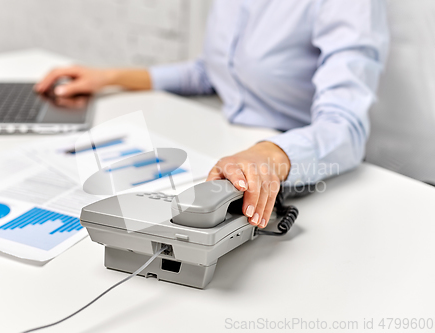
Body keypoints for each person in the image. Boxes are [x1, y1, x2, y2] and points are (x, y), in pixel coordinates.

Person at [35, 0, 389, 229]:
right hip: (227, 146)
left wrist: (268, 154)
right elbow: (211, 72)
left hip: (301, 165)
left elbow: (346, 127)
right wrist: (111, 77)